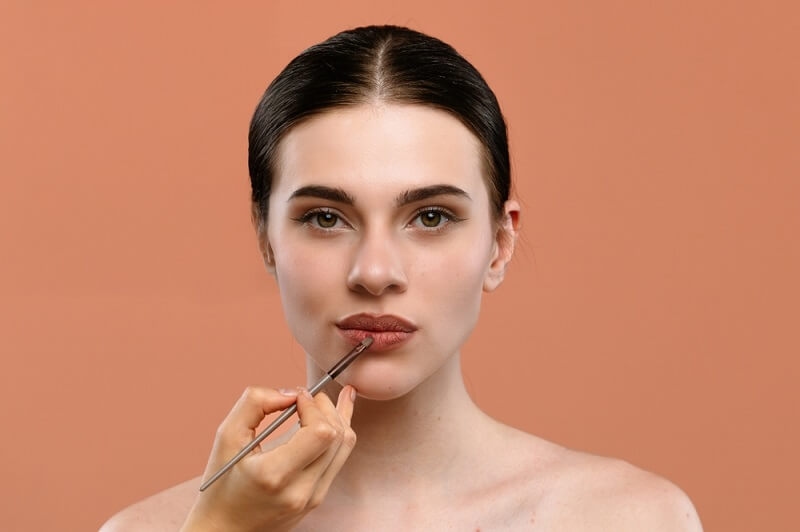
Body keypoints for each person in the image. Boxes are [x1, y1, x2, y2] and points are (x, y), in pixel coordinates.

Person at [102, 25, 702, 531]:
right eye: (326, 217)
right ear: (266, 238)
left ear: (500, 242)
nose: (375, 272)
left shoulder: (631, 519)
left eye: (431, 217)